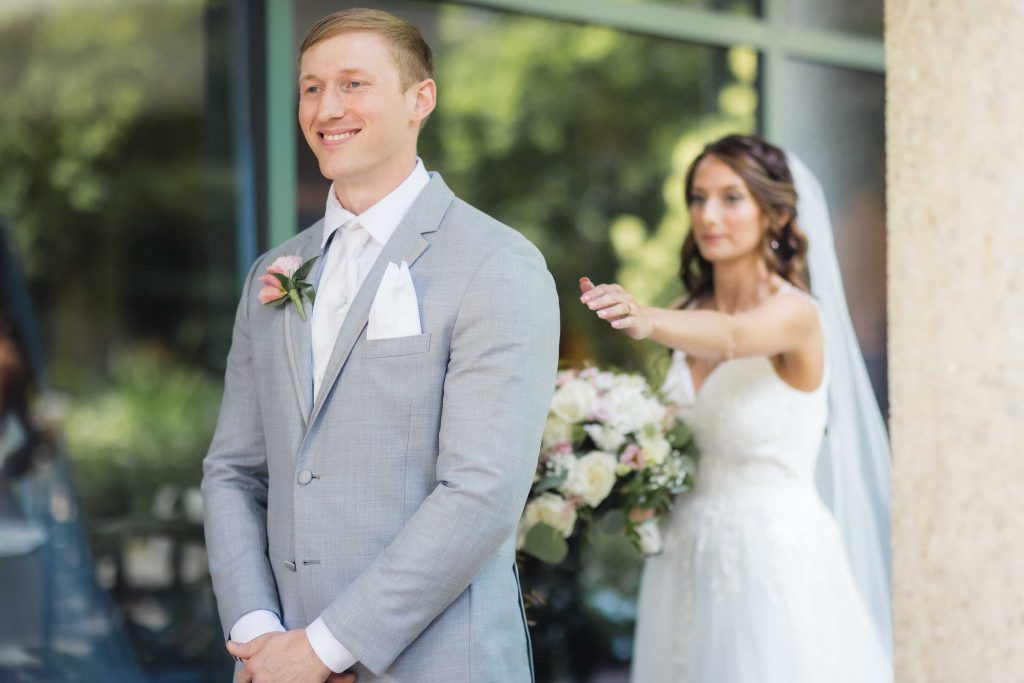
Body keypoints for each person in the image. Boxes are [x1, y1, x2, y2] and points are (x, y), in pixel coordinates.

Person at [201, 8, 559, 683]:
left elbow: (480, 492)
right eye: (311, 87)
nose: (326, 107)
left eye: (353, 84)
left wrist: (325, 647)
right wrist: (259, 634)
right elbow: (233, 472)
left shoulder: (498, 264)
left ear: (420, 98)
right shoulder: (273, 274)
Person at [580, 134, 892, 682]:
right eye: (698, 198)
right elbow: (673, 434)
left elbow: (731, 336)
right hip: (683, 557)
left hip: (770, 558)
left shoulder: (796, 315)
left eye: (731, 198)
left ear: (774, 213)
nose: (709, 215)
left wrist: (646, 318)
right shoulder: (688, 310)